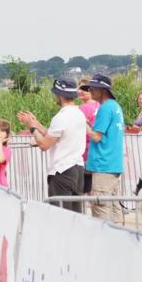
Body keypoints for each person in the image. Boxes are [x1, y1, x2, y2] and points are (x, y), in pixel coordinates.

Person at [17, 78, 87, 211]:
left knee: (60, 216)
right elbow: (53, 135)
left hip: (62, 170)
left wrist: (32, 128)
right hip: (77, 169)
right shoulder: (79, 114)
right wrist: (36, 123)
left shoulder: (61, 117)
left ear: (60, 95)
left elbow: (44, 144)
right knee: (76, 216)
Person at [84, 73, 126, 224]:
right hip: (114, 165)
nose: (91, 90)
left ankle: (104, 240)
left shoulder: (105, 108)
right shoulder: (116, 106)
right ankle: (120, 238)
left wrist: (82, 123)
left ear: (102, 90)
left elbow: (96, 136)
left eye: (93, 88)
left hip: (103, 165)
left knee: (100, 206)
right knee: (114, 205)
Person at [78, 79, 100, 195]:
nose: (80, 91)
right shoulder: (100, 106)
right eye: (79, 88)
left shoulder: (81, 109)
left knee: (82, 191)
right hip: (97, 154)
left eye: (84, 89)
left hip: (84, 154)